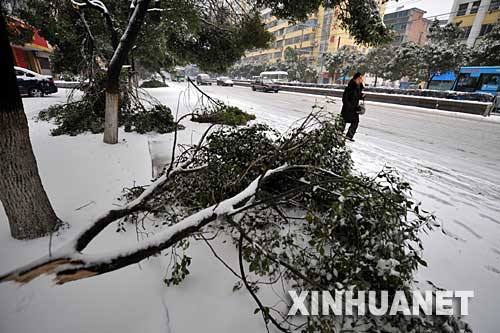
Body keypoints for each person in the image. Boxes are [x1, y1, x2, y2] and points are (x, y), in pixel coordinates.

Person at [341, 72, 365, 141]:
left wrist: (361, 96)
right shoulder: (349, 87)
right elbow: (345, 99)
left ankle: (349, 136)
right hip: (347, 109)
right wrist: (349, 107)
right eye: (360, 78)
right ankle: (337, 134)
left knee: (355, 122)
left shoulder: (358, 87)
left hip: (354, 108)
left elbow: (356, 96)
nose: (361, 80)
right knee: (343, 122)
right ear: (356, 78)